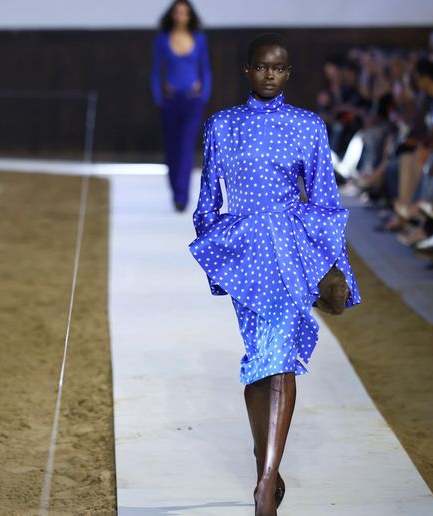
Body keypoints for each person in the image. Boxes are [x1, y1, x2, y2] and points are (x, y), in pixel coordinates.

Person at [188, 33, 361, 515]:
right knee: (260, 361)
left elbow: (326, 202)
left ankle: (265, 485)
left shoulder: (307, 126)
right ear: (247, 70)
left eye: (279, 69)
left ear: (288, 73)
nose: (270, 75)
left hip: (288, 250)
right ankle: (265, 457)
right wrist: (221, 259)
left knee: (279, 353)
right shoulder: (222, 126)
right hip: (247, 255)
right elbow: (207, 204)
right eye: (262, 67)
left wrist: (333, 264)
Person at [151, 0, 212, 212]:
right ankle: (175, 189)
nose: (181, 16)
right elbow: (156, 70)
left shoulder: (199, 39)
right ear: (172, 15)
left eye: (185, 12)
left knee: (186, 148)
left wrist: (203, 94)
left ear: (190, 15)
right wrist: (159, 95)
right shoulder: (162, 39)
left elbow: (205, 68)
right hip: (170, 101)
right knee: (171, 149)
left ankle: (182, 196)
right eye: (177, 12)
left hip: (192, 101)